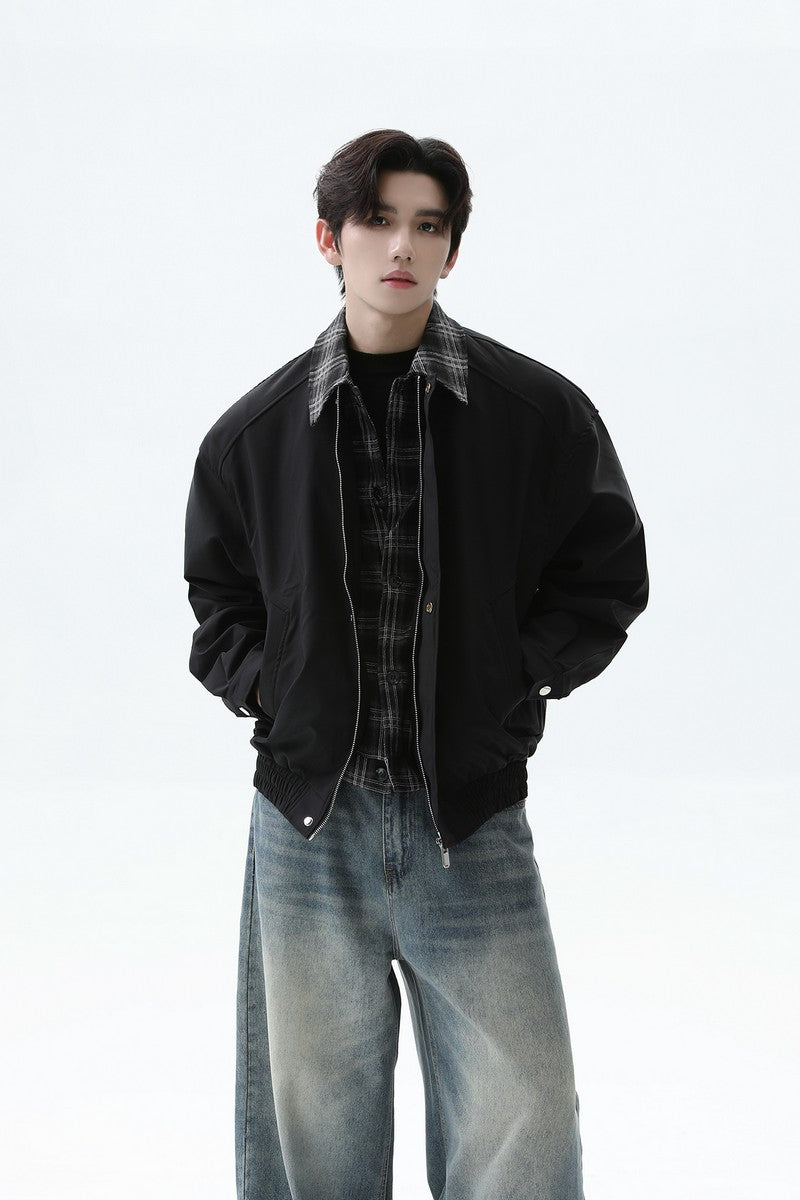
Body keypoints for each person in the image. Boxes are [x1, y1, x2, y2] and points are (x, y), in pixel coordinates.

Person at [183, 128, 649, 1200]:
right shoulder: (253, 434)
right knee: (313, 1130)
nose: (401, 246)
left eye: (427, 225)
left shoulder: (535, 414)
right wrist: (272, 689)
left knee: (524, 1119)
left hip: (468, 814)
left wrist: (511, 679)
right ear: (329, 239)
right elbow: (219, 604)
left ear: (451, 249)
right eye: (377, 220)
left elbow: (605, 573)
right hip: (310, 822)